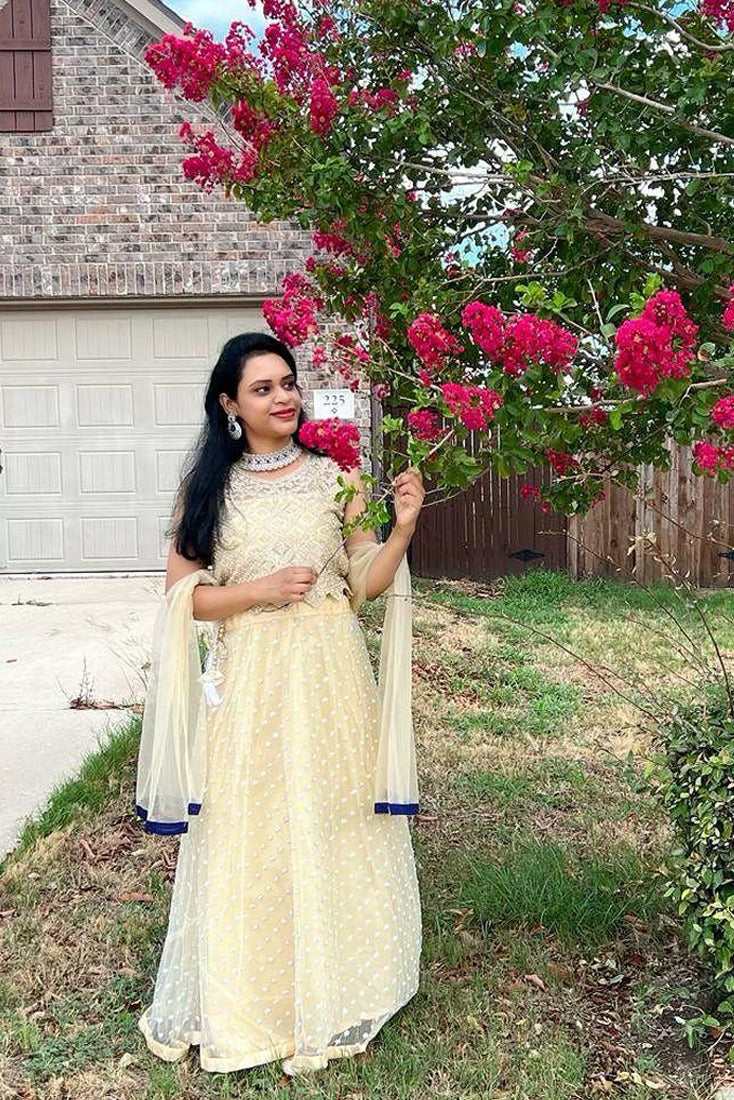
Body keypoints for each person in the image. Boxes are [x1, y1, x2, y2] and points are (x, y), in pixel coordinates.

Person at [135, 331, 426, 1076]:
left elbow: (367, 583)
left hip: (331, 678)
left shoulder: (339, 478)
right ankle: (254, 999)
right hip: (253, 683)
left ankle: (338, 983)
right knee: (250, 829)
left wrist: (403, 529)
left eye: (288, 382)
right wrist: (257, 592)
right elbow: (181, 599)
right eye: (263, 388)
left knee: (332, 821)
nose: (284, 396)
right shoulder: (207, 491)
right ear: (230, 404)